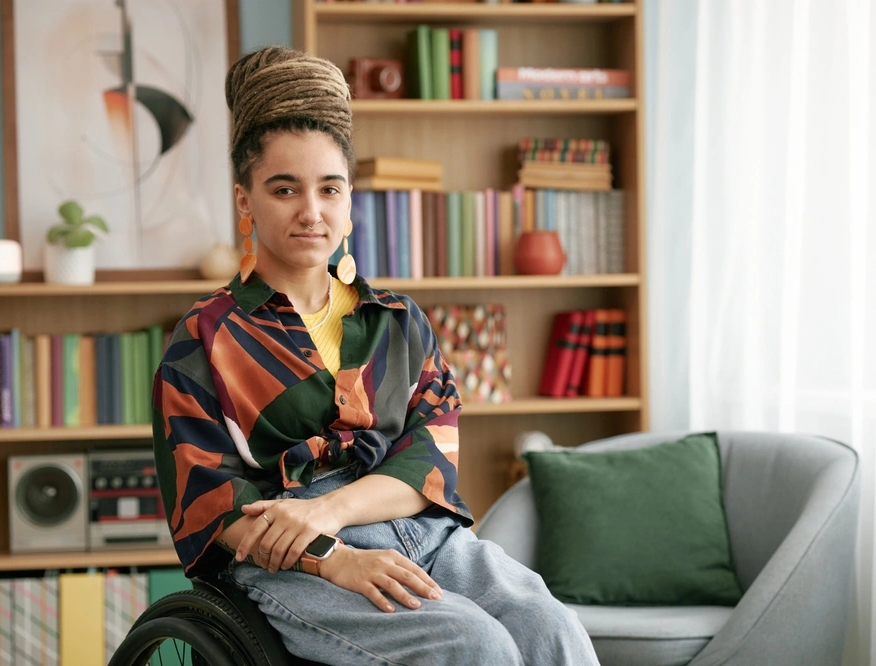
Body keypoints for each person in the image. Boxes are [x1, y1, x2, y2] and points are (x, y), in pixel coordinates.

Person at [152, 46, 600, 666]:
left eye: (329, 189)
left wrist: (331, 509)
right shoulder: (204, 339)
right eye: (284, 189)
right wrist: (331, 553)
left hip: (421, 532)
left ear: (349, 200)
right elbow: (207, 503)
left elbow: (432, 455)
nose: (311, 212)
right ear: (245, 201)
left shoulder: (397, 321)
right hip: (293, 560)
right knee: (473, 645)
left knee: (550, 625)